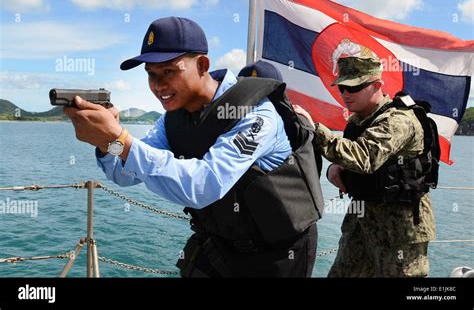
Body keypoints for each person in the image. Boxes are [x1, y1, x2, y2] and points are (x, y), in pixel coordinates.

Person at [63, 16, 324, 277]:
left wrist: (120, 139)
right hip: (220, 245)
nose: (158, 85)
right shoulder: (171, 120)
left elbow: (205, 184)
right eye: (151, 75)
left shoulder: (255, 114)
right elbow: (126, 173)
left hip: (278, 253)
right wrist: (108, 144)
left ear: (202, 64)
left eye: (169, 71)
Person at [294, 56, 438, 277]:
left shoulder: (398, 119)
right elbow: (351, 155)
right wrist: (336, 167)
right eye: (342, 87)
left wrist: (314, 129)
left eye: (355, 87)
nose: (346, 94)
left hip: (400, 228)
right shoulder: (357, 121)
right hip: (362, 220)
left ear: (377, 85)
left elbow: (364, 157)